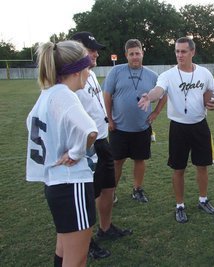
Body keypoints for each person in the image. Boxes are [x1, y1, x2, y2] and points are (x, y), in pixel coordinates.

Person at [26, 40, 98, 267]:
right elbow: (90, 130)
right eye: (88, 67)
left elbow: (30, 123)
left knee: (63, 251)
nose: (89, 72)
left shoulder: (47, 94)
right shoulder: (65, 95)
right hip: (72, 184)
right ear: (77, 70)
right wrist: (77, 152)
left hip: (55, 184)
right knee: (76, 260)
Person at [138, 37, 214, 223]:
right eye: (177, 51)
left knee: (202, 165)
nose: (179, 55)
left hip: (200, 125)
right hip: (178, 127)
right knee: (178, 168)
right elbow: (158, 90)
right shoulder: (168, 75)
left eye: (183, 51)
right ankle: (180, 205)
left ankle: (203, 199)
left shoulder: (204, 73)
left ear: (192, 52)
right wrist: (149, 97)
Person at [71, 31, 132, 260]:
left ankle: (105, 229)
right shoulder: (71, 80)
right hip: (86, 145)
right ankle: (85, 242)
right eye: (91, 49)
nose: (96, 53)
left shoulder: (91, 73)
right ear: (76, 49)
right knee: (87, 195)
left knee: (108, 187)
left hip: (101, 140)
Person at [103, 39, 165, 203]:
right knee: (116, 161)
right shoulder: (116, 72)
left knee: (140, 160)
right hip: (119, 127)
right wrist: (109, 119)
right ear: (126, 55)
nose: (135, 57)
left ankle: (137, 189)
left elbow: (163, 95)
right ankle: (112, 191)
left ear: (142, 54)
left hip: (142, 127)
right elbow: (107, 96)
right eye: (131, 54)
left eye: (137, 53)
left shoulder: (152, 75)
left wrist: (156, 112)